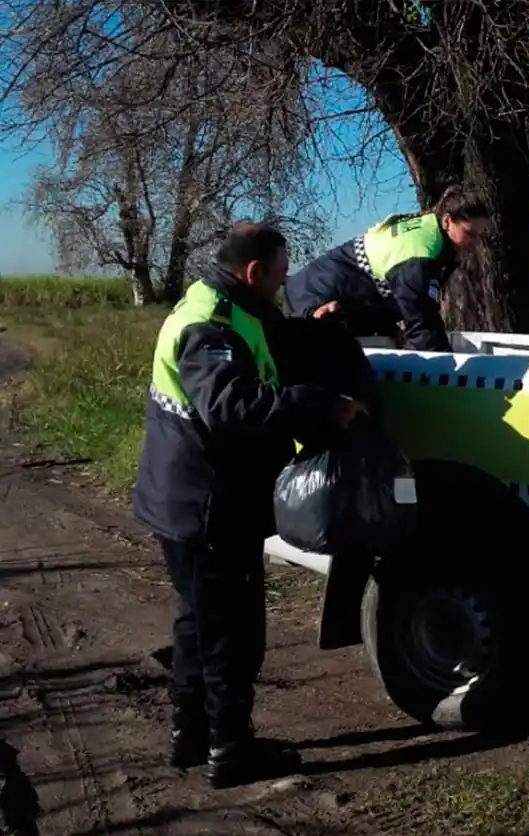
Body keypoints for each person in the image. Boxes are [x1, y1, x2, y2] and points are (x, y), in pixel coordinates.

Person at [133, 222, 367, 788]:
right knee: (231, 630)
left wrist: (319, 329)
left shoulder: (224, 303)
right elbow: (233, 404)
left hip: (192, 498)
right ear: (255, 272)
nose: (285, 286)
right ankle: (230, 749)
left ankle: (190, 734)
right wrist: (322, 406)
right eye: (281, 276)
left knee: (199, 620)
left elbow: (269, 340)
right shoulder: (206, 326)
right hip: (205, 504)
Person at [282, 185, 491, 352]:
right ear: (447, 221)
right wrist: (446, 370)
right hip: (315, 301)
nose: (476, 243)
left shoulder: (429, 231)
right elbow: (422, 323)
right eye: (470, 234)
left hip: (337, 292)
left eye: (479, 236)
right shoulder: (419, 253)